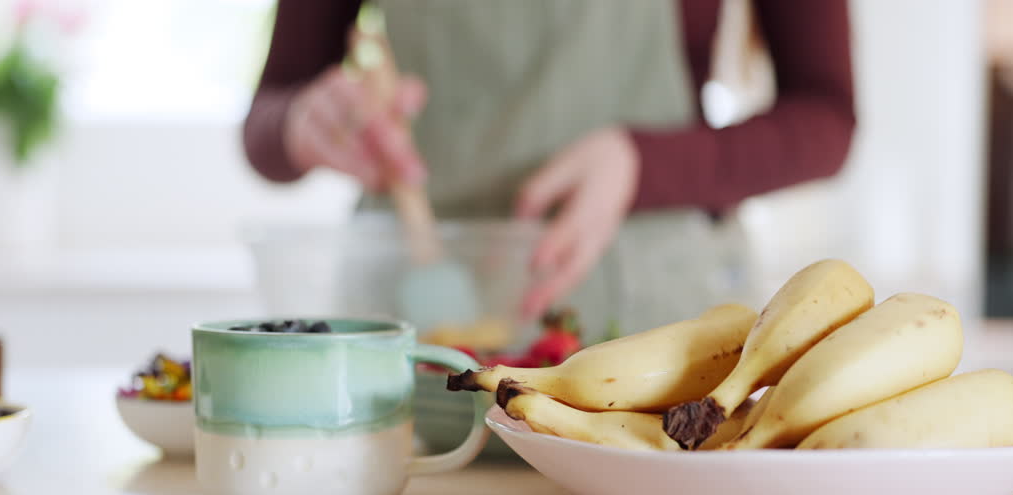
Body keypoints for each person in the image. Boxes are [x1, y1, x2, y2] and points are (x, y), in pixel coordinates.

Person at [243, 0, 854, 335]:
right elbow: (267, 116)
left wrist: (642, 163)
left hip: (654, 330)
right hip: (404, 336)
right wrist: (304, 121)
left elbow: (828, 118)